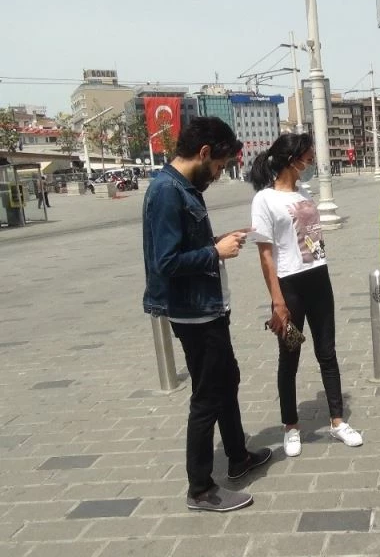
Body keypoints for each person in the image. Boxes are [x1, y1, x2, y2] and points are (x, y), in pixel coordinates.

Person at [142, 116, 272, 513]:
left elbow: (184, 246)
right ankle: (199, 489)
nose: (217, 175)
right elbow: (165, 262)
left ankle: (237, 456)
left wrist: (216, 241)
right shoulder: (167, 191)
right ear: (203, 153)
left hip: (207, 308)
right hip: (194, 313)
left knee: (225, 378)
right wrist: (215, 252)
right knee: (207, 396)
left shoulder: (183, 187)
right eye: (217, 166)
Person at [250, 132, 363, 458]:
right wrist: (278, 301)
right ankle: (291, 426)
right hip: (290, 286)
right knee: (291, 356)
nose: (311, 161)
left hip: (319, 278)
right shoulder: (264, 200)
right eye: (307, 156)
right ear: (291, 159)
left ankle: (338, 421)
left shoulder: (304, 191)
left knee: (327, 352)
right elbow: (266, 254)